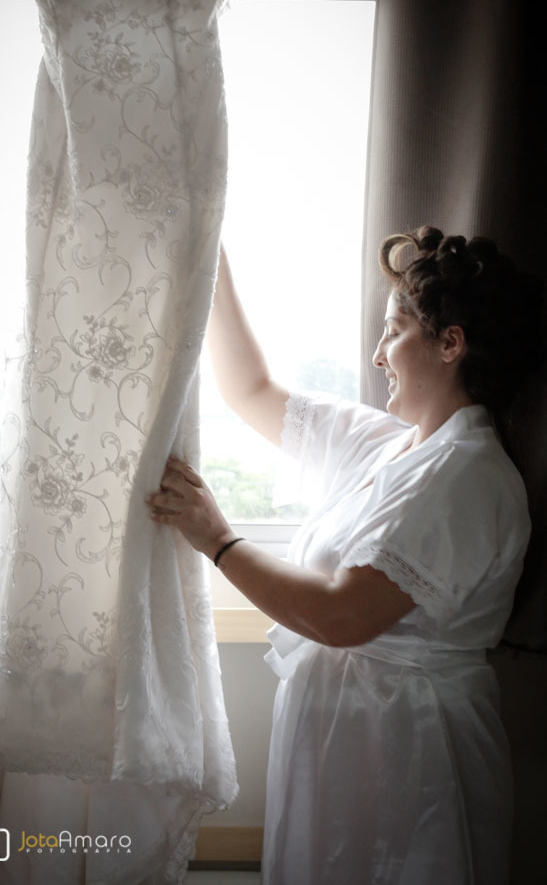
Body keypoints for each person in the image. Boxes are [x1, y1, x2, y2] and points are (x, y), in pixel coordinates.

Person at [146, 226, 543, 884]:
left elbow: (342, 616)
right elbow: (250, 391)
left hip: (411, 749)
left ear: (450, 344)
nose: (378, 355)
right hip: (340, 736)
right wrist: (209, 256)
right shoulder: (383, 443)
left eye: (393, 331)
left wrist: (217, 539)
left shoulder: (469, 477)